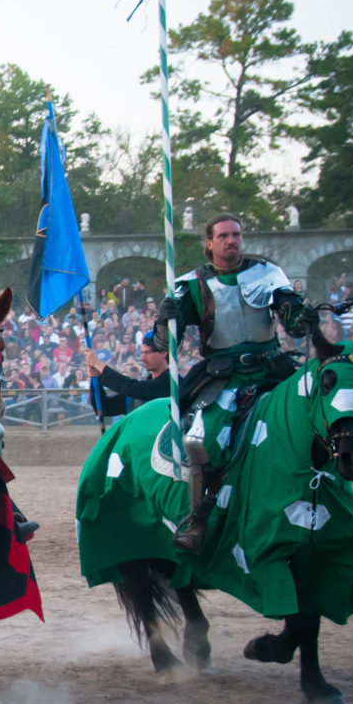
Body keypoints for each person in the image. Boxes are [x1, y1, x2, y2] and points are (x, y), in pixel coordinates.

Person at [154, 212, 314, 553]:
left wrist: (300, 314)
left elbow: (296, 326)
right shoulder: (191, 285)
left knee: (318, 415)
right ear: (209, 244)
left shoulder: (268, 274)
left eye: (236, 235)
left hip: (272, 367)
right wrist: (165, 321)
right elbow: (163, 344)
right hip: (224, 376)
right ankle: (200, 517)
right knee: (202, 439)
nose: (232, 241)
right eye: (224, 236)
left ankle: (321, 491)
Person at [85, 328, 169, 419]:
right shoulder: (137, 392)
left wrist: (98, 364)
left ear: (163, 353)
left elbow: (133, 387)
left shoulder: (171, 385)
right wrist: (96, 379)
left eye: (148, 352)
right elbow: (105, 408)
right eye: (142, 353)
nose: (143, 358)